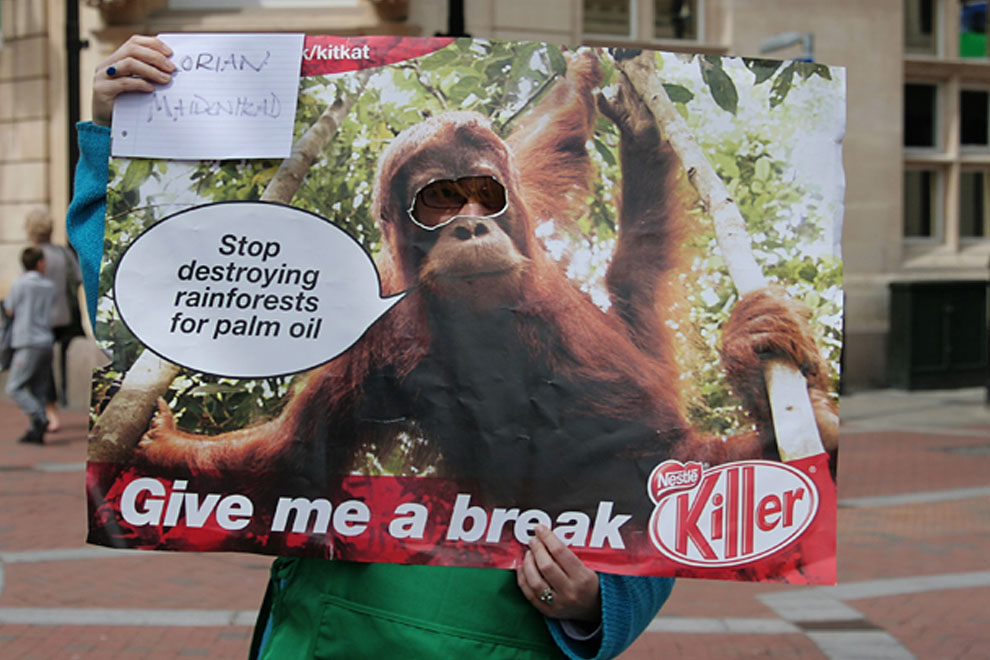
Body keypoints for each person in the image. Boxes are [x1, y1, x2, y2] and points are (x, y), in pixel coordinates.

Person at [68, 35, 674, 658]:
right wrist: (113, 135)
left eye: (486, 197)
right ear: (398, 233)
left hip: (507, 635)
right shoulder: (375, 322)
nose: (470, 222)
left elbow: (558, 132)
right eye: (436, 201)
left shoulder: (583, 345)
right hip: (333, 629)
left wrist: (597, 603)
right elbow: (159, 302)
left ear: (511, 206)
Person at [24, 207, 83, 432]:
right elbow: (78, 278)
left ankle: (50, 411)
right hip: (65, 316)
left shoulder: (32, 256)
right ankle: (62, 398)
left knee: (43, 367)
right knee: (61, 363)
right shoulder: (63, 253)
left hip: (40, 319)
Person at [4, 247, 56, 445]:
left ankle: (40, 418)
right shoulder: (49, 286)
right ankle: (36, 431)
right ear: (39, 263)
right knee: (39, 389)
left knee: (14, 387)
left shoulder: (19, 284)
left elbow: (9, 309)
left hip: (27, 341)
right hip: (46, 340)